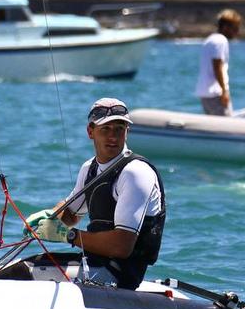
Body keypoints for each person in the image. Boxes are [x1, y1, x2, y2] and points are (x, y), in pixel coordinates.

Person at [25, 98, 166, 290]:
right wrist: (48, 218)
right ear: (90, 132)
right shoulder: (89, 168)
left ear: (127, 131)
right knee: (14, 269)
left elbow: (121, 247)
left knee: (23, 273)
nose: (113, 137)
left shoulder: (135, 173)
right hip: (94, 264)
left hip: (120, 275)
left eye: (119, 129)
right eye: (105, 129)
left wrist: (68, 235)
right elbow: (71, 214)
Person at [195, 9, 241, 116]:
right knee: (226, 127)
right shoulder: (221, 40)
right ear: (225, 27)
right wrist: (224, 91)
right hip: (215, 93)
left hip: (204, 94)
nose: (237, 32)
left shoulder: (209, 40)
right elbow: (217, 66)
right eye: (235, 28)